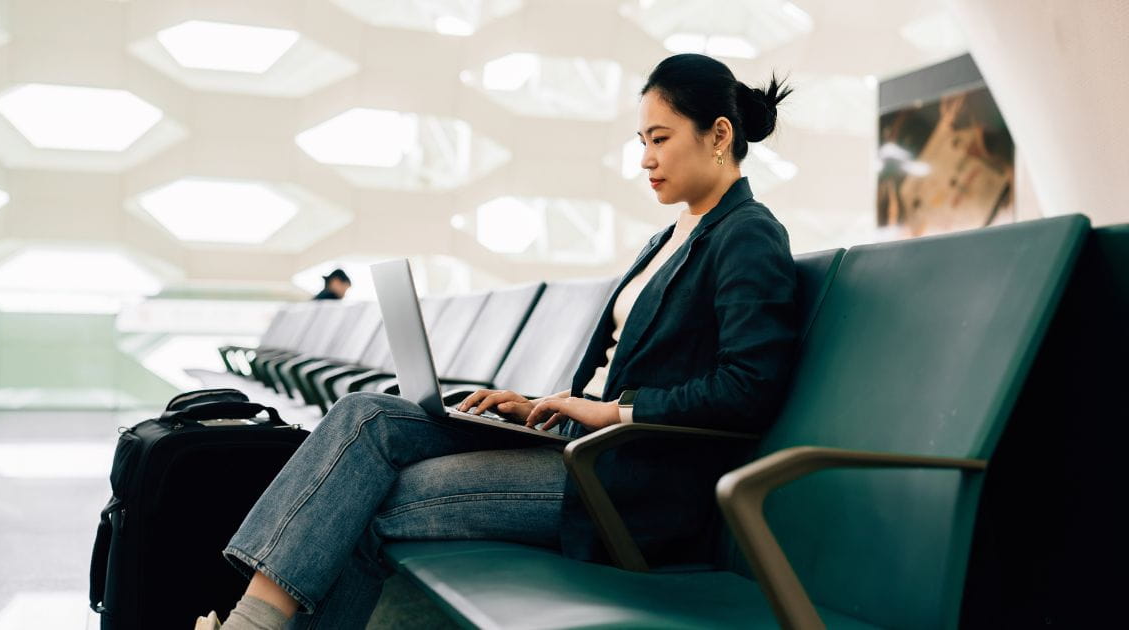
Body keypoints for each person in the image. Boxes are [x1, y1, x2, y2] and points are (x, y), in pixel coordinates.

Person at [196, 53, 798, 630]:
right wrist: (539, 401)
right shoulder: (672, 236)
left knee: (366, 502)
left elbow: (749, 389)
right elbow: (629, 364)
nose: (646, 159)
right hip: (574, 443)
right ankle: (254, 622)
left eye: (660, 138)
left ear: (718, 135)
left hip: (618, 482)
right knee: (365, 415)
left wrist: (611, 411)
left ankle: (251, 626)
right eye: (642, 142)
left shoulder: (749, 235)